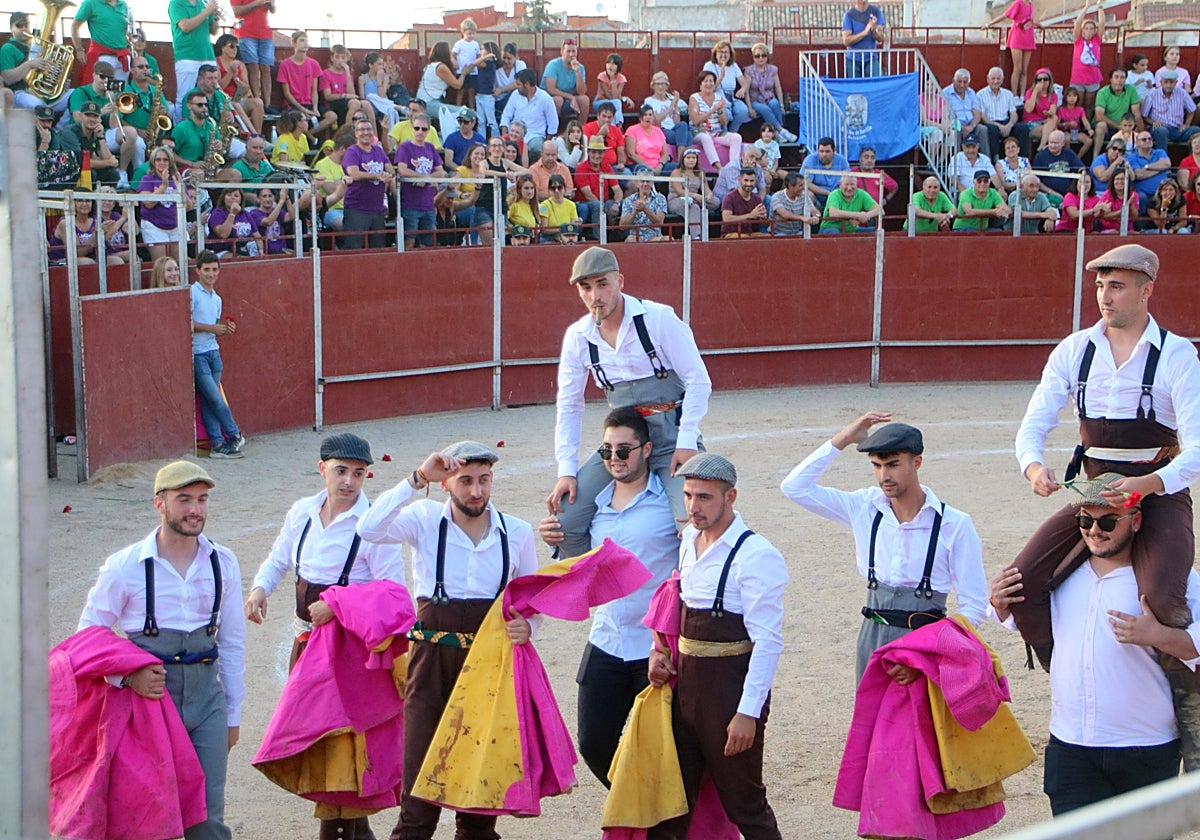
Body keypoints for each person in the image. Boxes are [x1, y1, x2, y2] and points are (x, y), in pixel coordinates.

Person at [1010, 243, 1200, 765]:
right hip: (1094, 498)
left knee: (1162, 597)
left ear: (1146, 289)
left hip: (1159, 497)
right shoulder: (1075, 349)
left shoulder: (1178, 354)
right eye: (1099, 285)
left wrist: (1147, 487)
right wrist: (1033, 467)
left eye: (1115, 285)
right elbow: (1034, 424)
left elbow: (1198, 448)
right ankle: (1066, 668)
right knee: (1023, 580)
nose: (1104, 295)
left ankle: (1193, 718)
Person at [356, 441, 538, 840]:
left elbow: (530, 601)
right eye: (466, 481)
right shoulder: (423, 519)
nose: (476, 492)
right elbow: (367, 528)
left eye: (484, 481)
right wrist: (417, 478)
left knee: (478, 795)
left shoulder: (517, 532)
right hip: (431, 661)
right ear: (445, 485)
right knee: (420, 789)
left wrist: (529, 628)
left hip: (489, 668)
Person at [990, 473, 1200, 816]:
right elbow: (1026, 621)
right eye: (1085, 520)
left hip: (1146, 748)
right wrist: (1001, 605)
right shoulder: (1060, 573)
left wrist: (1155, 635)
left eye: (1107, 521)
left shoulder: (1173, 577)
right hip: (1071, 748)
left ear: (1136, 521)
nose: (1094, 530)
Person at [244, 432, 402, 839]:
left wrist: (338, 606)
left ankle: (340, 833)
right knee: (322, 742)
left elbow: (393, 592)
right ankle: (349, 830)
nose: (349, 481)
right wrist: (261, 587)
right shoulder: (302, 512)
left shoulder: (374, 524)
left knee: (344, 748)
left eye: (358, 473)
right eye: (340, 471)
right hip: (306, 641)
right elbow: (280, 557)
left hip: (348, 650)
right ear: (322, 469)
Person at [79, 459, 246, 840]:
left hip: (208, 703)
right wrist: (126, 676)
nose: (195, 510)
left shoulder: (224, 563)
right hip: (147, 708)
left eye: (202, 500)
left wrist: (231, 715)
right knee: (144, 816)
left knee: (206, 818)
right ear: (160, 504)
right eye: (184, 499)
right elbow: (88, 635)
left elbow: (233, 643)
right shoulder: (125, 567)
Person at [781, 413, 988, 681]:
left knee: (920, 723)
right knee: (870, 721)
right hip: (871, 637)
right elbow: (794, 487)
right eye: (876, 466)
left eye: (892, 465)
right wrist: (843, 439)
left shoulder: (955, 524)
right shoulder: (865, 507)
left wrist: (927, 657)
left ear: (917, 463)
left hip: (926, 641)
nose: (883, 476)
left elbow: (974, 606)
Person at [647, 453, 788, 840]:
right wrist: (658, 652)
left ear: (731, 497)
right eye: (689, 495)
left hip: (729, 693)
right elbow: (676, 609)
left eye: (705, 497)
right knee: (671, 803)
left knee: (746, 805)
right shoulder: (689, 540)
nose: (693, 507)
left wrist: (747, 713)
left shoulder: (756, 555)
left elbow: (768, 642)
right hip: (686, 689)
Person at [537, 407, 679, 785]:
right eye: (607, 451)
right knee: (595, 744)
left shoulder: (672, 503)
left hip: (657, 644)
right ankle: (640, 811)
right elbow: (581, 564)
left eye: (624, 450)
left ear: (647, 450)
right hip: (607, 638)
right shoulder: (592, 507)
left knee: (673, 746)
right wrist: (557, 540)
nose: (614, 459)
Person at [546, 246, 712, 559]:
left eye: (602, 284)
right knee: (565, 523)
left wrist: (688, 441)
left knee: (693, 524)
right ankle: (605, 592)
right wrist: (566, 471)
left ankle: (684, 602)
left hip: (671, 440)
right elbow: (569, 405)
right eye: (586, 287)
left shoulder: (658, 319)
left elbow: (699, 381)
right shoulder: (578, 336)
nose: (595, 295)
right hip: (620, 446)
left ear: (620, 281)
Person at [191, 249, 245, 459]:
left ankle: (217, 444)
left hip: (213, 351)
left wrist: (223, 330)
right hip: (198, 354)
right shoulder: (192, 293)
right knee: (214, 399)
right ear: (198, 271)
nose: (211, 274)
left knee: (209, 400)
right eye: (206, 270)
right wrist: (212, 329)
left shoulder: (217, 299)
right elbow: (187, 324)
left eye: (214, 270)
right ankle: (234, 432)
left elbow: (211, 325)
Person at [68, 61, 142, 186]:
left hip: (102, 134)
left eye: (110, 78)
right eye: (102, 76)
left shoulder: (112, 95)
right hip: (82, 136)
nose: (106, 80)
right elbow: (77, 118)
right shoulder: (80, 92)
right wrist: (100, 112)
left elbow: (114, 127)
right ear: (94, 75)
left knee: (132, 135)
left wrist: (114, 109)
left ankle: (123, 174)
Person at [1, 11, 70, 114]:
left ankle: (59, 128)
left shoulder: (39, 48)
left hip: (43, 94)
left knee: (77, 96)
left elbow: (47, 74)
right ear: (11, 28)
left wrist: (60, 82)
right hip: (20, 93)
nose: (24, 28)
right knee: (38, 106)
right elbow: (7, 78)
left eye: (26, 25)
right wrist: (29, 64)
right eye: (19, 26)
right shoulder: (8, 48)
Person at [395, 112, 446, 250]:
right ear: (412, 128)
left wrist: (426, 179)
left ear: (428, 130)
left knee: (428, 244)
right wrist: (424, 177)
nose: (420, 132)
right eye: (417, 128)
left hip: (428, 204)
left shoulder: (430, 147)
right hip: (410, 204)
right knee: (408, 243)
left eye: (423, 129)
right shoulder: (405, 147)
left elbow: (440, 171)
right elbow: (402, 169)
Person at [342, 119, 394, 250]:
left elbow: (391, 170)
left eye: (369, 129)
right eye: (362, 130)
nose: (366, 133)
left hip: (377, 209)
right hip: (356, 209)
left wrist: (388, 176)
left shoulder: (379, 151)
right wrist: (378, 176)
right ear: (356, 134)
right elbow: (353, 173)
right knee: (353, 248)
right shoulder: (352, 152)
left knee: (378, 249)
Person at [139, 145, 195, 263]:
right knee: (162, 263)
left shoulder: (176, 179)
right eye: (158, 159)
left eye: (165, 159)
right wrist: (163, 186)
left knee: (179, 263)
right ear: (153, 162)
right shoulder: (148, 179)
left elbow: (189, 206)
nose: (161, 162)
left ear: (170, 162)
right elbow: (148, 203)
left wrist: (180, 187)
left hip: (175, 226)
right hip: (154, 226)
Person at [277, 31, 335, 140]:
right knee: (300, 118)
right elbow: (287, 93)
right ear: (293, 44)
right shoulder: (285, 65)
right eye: (302, 40)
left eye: (307, 41)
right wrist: (303, 109)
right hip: (293, 105)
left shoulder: (314, 64)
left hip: (310, 104)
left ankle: (306, 136)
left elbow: (314, 90)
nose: (305, 43)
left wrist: (315, 108)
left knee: (332, 116)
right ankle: (309, 138)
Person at [169, 0, 219, 117]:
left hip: (207, 55)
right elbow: (185, 26)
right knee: (185, 97)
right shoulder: (176, 3)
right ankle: (180, 131)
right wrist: (207, 11)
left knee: (209, 96)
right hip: (187, 57)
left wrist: (215, 16)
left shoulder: (203, 3)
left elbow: (214, 31)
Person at [193, 63, 249, 160]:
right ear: (200, 79)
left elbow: (244, 90)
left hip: (221, 136)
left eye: (215, 78)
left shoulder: (221, 96)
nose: (214, 82)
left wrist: (230, 117)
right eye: (210, 78)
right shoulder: (192, 96)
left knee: (247, 153)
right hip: (202, 137)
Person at [689, 70, 741, 169]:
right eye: (706, 81)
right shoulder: (694, 98)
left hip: (717, 132)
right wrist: (713, 109)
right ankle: (719, 167)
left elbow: (724, 122)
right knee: (705, 137)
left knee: (736, 137)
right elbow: (696, 121)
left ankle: (733, 168)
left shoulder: (719, 98)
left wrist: (721, 110)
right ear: (700, 84)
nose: (709, 84)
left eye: (711, 81)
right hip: (698, 132)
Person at [500, 68, 558, 158]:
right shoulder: (515, 95)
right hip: (514, 134)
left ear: (526, 85)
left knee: (536, 148)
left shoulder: (545, 99)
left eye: (519, 84)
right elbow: (506, 116)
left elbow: (553, 125)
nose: (517, 86)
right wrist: (504, 136)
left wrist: (546, 143)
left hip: (535, 136)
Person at [62, 101, 122, 186]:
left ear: (100, 119)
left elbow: (107, 158)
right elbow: (79, 162)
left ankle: (105, 197)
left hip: (83, 169)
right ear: (81, 116)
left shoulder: (96, 132)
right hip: (66, 171)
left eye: (95, 116)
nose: (92, 119)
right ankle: (85, 198)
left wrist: (101, 137)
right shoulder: (70, 132)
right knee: (90, 174)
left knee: (113, 175)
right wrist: (109, 162)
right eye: (88, 115)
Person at [71, 0, 130, 84]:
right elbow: (75, 26)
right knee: (101, 90)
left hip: (123, 56)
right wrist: (79, 50)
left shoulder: (123, 5)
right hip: (103, 55)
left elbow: (124, 30)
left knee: (122, 92)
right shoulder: (90, 3)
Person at [986, 0, 1038, 94]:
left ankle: (1022, 95)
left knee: (1024, 70)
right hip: (1017, 38)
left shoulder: (1031, 5)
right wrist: (989, 24)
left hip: (1028, 38)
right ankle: (1014, 95)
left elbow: (1030, 20)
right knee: (1017, 68)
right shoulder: (1018, 3)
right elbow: (1006, 15)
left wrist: (1039, 25)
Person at [575, 135, 623, 238]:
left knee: (615, 205)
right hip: (586, 203)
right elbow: (588, 195)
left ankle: (615, 236)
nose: (597, 156)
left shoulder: (606, 166)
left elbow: (617, 190)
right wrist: (603, 208)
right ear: (588, 152)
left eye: (600, 152)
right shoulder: (581, 168)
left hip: (603, 202)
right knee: (597, 205)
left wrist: (616, 203)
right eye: (594, 152)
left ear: (604, 153)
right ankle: (598, 238)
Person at [744, 44, 794, 141]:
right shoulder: (749, 71)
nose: (760, 58)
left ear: (767, 56)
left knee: (775, 104)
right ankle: (781, 130)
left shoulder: (773, 69)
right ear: (753, 58)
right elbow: (746, 90)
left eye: (763, 55)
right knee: (765, 109)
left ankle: (777, 134)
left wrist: (781, 104)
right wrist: (750, 108)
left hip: (769, 98)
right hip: (755, 100)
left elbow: (778, 87)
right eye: (757, 56)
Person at [1140, 69, 1199, 151]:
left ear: (1176, 82)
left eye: (1171, 82)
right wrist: (1153, 123)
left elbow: (1192, 109)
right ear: (1161, 82)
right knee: (1161, 131)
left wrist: (1187, 123)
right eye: (1166, 82)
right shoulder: (1152, 95)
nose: (1168, 85)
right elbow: (1144, 115)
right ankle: (1163, 159)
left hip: (1177, 129)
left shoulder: (1182, 93)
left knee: (1196, 130)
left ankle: (1193, 161)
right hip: (1159, 129)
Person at [231, 0, 274, 112]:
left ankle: (268, 105)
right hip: (246, 32)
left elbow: (273, 10)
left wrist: (270, 4)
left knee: (266, 68)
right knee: (253, 66)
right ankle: (257, 100)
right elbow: (235, 10)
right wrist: (256, 3)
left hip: (265, 33)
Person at [319, 44, 366, 138]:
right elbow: (327, 96)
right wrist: (344, 95)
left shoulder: (348, 75)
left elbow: (352, 94)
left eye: (343, 58)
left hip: (345, 103)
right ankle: (346, 134)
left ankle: (348, 133)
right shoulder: (326, 73)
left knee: (360, 104)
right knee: (354, 103)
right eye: (337, 57)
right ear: (332, 58)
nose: (340, 60)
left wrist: (348, 73)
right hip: (330, 103)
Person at [1093, 66, 1142, 154]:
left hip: (1125, 126)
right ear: (1111, 79)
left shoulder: (1131, 90)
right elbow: (1099, 116)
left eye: (1122, 77)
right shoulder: (1102, 92)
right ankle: (1095, 159)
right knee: (1101, 125)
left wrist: (1142, 132)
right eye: (1116, 77)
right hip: (1108, 127)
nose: (1119, 80)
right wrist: (1119, 126)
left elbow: (1136, 113)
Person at [668, 147, 716, 238]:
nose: (691, 160)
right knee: (694, 208)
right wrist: (695, 196)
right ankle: (696, 236)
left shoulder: (700, 173)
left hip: (695, 199)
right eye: (688, 158)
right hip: (677, 199)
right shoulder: (676, 172)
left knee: (715, 202)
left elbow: (706, 189)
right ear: (683, 159)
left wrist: (709, 195)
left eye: (693, 158)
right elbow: (679, 191)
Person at [702, 41, 748, 133]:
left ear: (730, 54)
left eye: (726, 52)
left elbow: (744, 83)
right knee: (726, 113)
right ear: (716, 54)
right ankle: (724, 133)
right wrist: (721, 76)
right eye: (721, 52)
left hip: (731, 98)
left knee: (743, 110)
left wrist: (742, 89)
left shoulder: (733, 66)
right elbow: (709, 88)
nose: (723, 55)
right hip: (716, 98)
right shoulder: (709, 65)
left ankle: (733, 131)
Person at [1069, 0, 1103, 114]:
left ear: (1095, 31)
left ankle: (1087, 127)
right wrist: (1087, 7)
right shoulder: (1078, 41)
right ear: (1082, 30)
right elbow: (1078, 23)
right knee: (1077, 104)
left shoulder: (1097, 41)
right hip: (1078, 78)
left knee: (1089, 106)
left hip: (1092, 79)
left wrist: (1099, 6)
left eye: (1091, 28)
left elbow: (1102, 23)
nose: (1088, 31)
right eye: (1086, 28)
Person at [207, 188, 263, 257]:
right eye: (229, 195)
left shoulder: (246, 214)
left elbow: (257, 235)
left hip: (244, 249)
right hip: (222, 251)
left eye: (236, 196)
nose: (232, 198)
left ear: (241, 200)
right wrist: (232, 214)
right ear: (224, 198)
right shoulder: (217, 213)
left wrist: (261, 250)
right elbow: (223, 234)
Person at [944, 68, 986, 158]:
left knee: (983, 129)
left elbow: (977, 113)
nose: (962, 85)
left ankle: (985, 161)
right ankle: (958, 162)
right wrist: (961, 127)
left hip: (971, 124)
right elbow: (946, 116)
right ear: (953, 81)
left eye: (965, 82)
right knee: (956, 132)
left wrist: (972, 126)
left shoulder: (971, 92)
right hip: (955, 124)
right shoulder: (946, 93)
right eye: (959, 81)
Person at [542, 38, 588, 121]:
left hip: (568, 101)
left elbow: (582, 92)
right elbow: (550, 89)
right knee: (558, 100)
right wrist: (570, 97)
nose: (571, 54)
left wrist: (577, 72)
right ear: (562, 52)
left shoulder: (580, 67)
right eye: (568, 51)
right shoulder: (553, 65)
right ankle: (552, 131)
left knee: (584, 100)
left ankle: (582, 129)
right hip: (548, 100)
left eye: (573, 51)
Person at [1032, 130, 1085, 199]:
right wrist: (1051, 192)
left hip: (1069, 194)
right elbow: (1036, 179)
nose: (1053, 146)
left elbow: (1081, 169)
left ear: (1063, 143)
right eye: (1051, 142)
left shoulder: (1069, 154)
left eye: (1056, 143)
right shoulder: (1040, 156)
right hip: (1047, 194)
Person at [620, 168, 669, 241]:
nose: (645, 184)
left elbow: (659, 222)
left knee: (667, 239)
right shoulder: (629, 200)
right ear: (637, 183)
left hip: (654, 237)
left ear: (652, 183)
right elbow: (622, 226)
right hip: (636, 237)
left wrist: (645, 209)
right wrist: (635, 212)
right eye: (642, 181)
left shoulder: (660, 198)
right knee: (630, 239)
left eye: (648, 181)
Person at [644, 71, 689, 150]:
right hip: (661, 131)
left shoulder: (669, 101)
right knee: (687, 137)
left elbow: (676, 122)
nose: (660, 87)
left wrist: (676, 104)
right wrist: (671, 106)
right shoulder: (649, 101)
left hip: (673, 129)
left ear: (667, 86)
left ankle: (681, 158)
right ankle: (681, 159)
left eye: (663, 84)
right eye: (658, 84)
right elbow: (657, 119)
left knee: (683, 125)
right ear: (653, 86)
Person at [800, 136, 850, 208]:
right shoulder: (810, 159)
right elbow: (805, 182)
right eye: (821, 151)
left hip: (838, 195)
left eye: (827, 151)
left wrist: (835, 194)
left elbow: (847, 181)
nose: (824, 154)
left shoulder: (842, 160)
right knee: (807, 194)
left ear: (834, 151)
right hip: (816, 196)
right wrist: (827, 193)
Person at [1127, 128, 1171, 209]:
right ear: (1137, 143)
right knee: (1141, 197)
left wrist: (1147, 167)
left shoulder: (1160, 152)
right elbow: (1138, 175)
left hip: (1162, 191)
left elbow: (1167, 164)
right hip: (1143, 193)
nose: (1147, 141)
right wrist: (1159, 168)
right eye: (1144, 139)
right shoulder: (1132, 157)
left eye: (1150, 139)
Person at [842, 0, 886, 77]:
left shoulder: (876, 12)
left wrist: (874, 31)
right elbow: (846, 41)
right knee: (855, 87)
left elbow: (880, 38)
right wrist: (865, 32)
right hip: (853, 59)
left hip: (871, 58)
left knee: (879, 81)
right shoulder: (849, 15)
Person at [625, 105, 671, 175]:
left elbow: (665, 153)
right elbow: (631, 154)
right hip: (640, 165)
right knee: (644, 170)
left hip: (658, 166)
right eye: (645, 115)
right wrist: (649, 167)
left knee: (676, 168)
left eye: (650, 115)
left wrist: (660, 166)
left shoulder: (658, 131)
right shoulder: (632, 130)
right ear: (640, 117)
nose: (648, 117)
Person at [721, 167, 767, 238]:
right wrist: (750, 215)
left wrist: (763, 217)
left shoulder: (757, 198)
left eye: (752, 181)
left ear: (755, 181)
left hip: (751, 233)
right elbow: (727, 219)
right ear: (739, 180)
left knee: (768, 237)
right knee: (745, 238)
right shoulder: (729, 197)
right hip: (731, 234)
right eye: (746, 180)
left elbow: (764, 223)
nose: (748, 184)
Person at [770, 171, 820, 235]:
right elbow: (784, 214)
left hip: (798, 232)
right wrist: (802, 218)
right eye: (800, 185)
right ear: (790, 186)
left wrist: (816, 216)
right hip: (779, 233)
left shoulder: (804, 196)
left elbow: (813, 209)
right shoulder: (777, 197)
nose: (803, 188)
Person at [583, 102, 628, 172]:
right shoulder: (587, 128)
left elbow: (621, 151)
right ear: (598, 116)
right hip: (593, 166)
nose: (606, 120)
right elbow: (587, 148)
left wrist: (621, 163)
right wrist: (601, 134)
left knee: (627, 174)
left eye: (609, 117)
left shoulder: (616, 130)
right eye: (604, 116)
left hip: (613, 167)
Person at [1022, 68, 1059, 152]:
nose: (1042, 81)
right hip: (1031, 124)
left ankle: (1041, 147)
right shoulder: (1030, 92)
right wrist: (1035, 91)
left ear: (1050, 81)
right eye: (1039, 79)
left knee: (1054, 118)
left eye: (1045, 79)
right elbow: (1028, 109)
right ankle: (1043, 148)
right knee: (1054, 133)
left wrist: (1049, 113)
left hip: (1045, 122)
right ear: (1036, 81)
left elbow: (1053, 110)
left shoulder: (1052, 95)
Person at [1056, 86, 1096, 160]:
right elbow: (1058, 124)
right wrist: (1068, 124)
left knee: (1089, 141)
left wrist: (1089, 129)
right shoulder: (1061, 109)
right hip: (1065, 130)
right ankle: (1068, 157)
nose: (1072, 98)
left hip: (1077, 131)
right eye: (1070, 96)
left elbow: (1085, 121)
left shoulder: (1080, 109)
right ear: (1066, 97)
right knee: (1066, 138)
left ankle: (1077, 158)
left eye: (1074, 96)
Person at [541, 172, 581, 241]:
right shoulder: (544, 205)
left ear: (564, 189)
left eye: (559, 188)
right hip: (550, 237)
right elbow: (544, 229)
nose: (556, 191)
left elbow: (572, 225)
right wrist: (562, 229)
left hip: (566, 236)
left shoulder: (571, 205)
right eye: (553, 188)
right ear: (549, 190)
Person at [451, 18, 481, 109]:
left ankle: (472, 109)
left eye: (473, 33)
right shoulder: (459, 44)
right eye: (469, 33)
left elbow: (478, 56)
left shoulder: (476, 44)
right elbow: (453, 54)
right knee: (461, 91)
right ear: (463, 32)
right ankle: (458, 109)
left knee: (471, 92)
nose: (471, 36)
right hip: (462, 71)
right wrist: (455, 62)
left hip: (473, 72)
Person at [594, 52, 633, 117]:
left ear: (618, 66)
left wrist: (613, 79)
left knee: (615, 104)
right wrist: (624, 99)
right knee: (616, 103)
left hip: (613, 103)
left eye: (613, 64)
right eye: (608, 63)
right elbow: (610, 97)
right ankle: (619, 124)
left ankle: (616, 125)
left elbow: (616, 96)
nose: (610, 66)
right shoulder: (602, 76)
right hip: (600, 101)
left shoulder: (621, 78)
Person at [993, 134, 1030, 199]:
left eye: (1013, 147)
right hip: (1009, 193)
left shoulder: (1025, 161)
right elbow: (1005, 185)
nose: (1011, 149)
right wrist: (1020, 182)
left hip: (1026, 191)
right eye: (1008, 148)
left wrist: (1014, 184)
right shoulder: (1000, 164)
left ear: (1018, 149)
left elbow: (1029, 179)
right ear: (1005, 152)